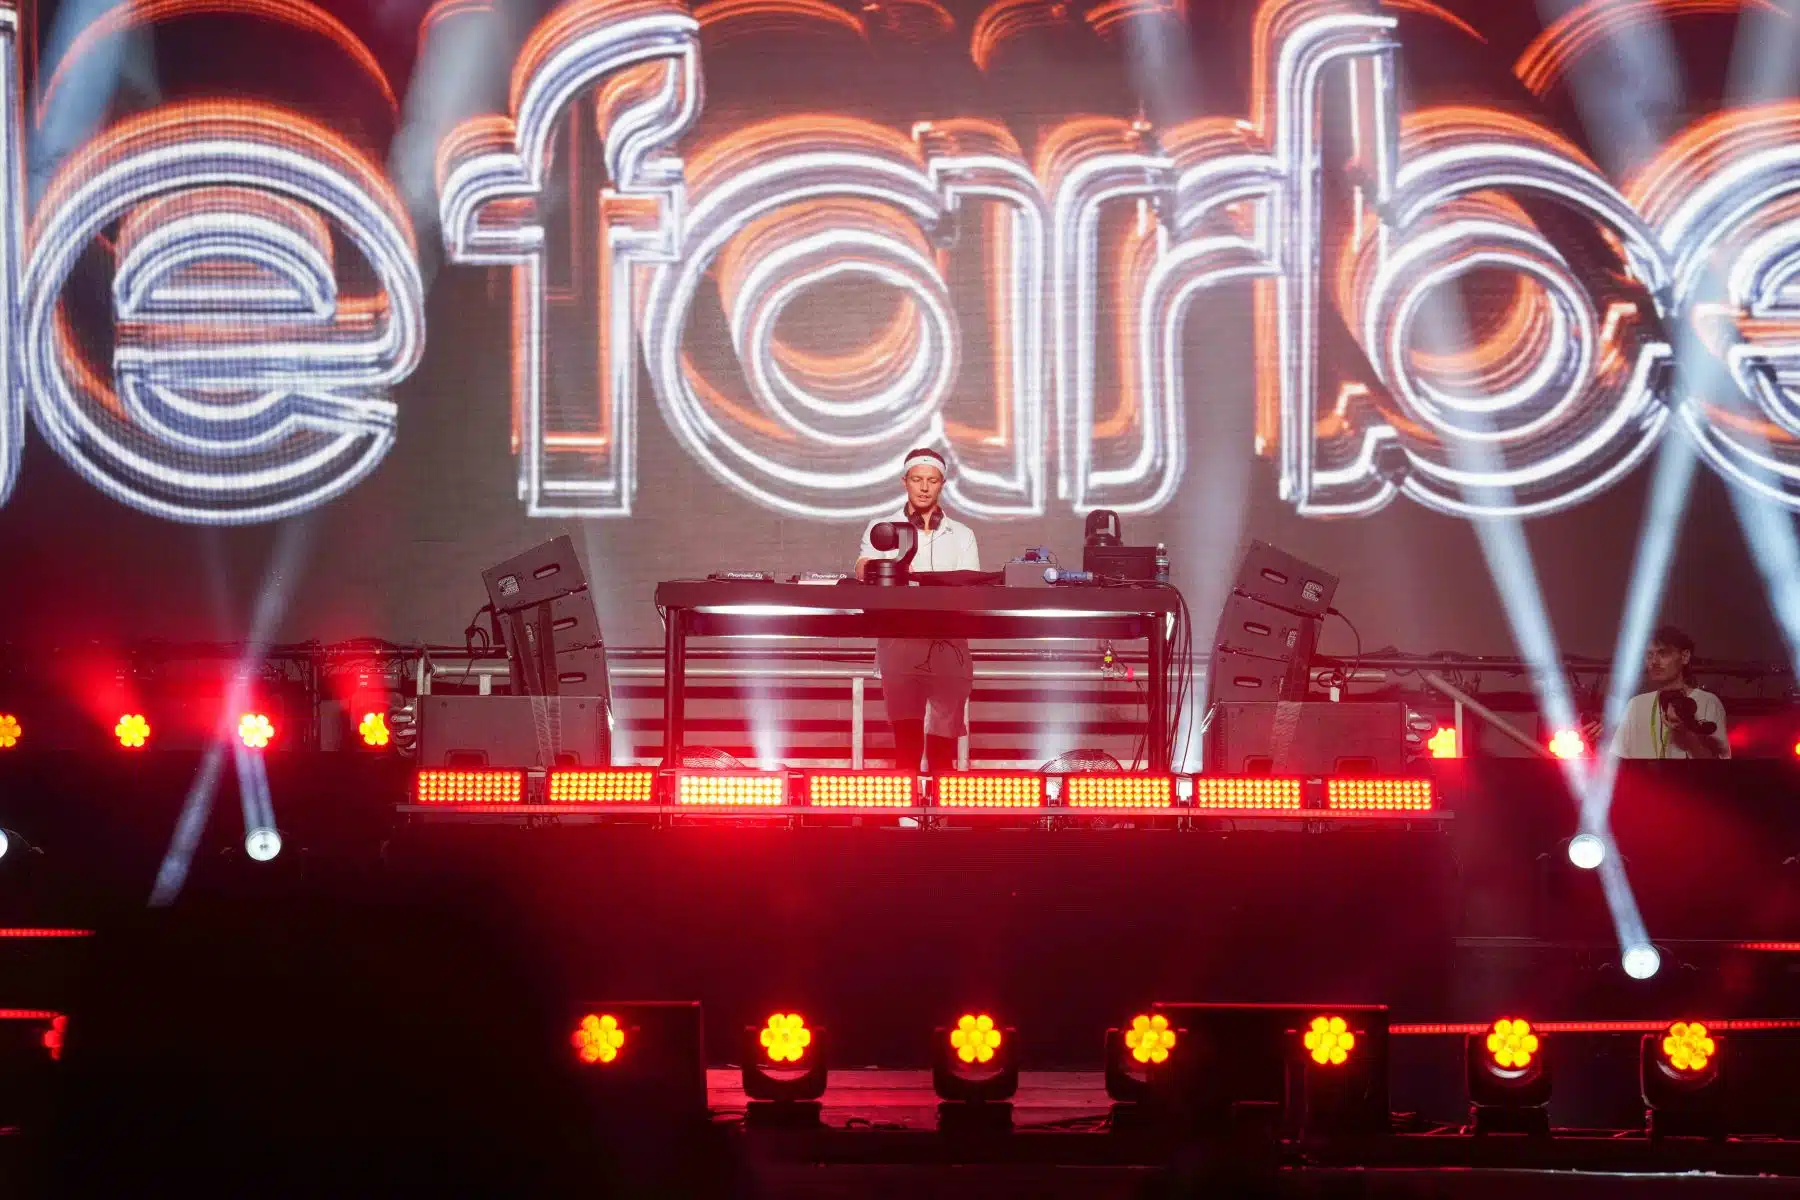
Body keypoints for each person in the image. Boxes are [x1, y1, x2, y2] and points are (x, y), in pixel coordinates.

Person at [854, 447, 980, 772]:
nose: (924, 487)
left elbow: (969, 588)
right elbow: (863, 568)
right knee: (906, 743)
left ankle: (942, 805)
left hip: (949, 650)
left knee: (943, 748)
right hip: (900, 648)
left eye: (932, 480)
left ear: (942, 484)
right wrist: (887, 569)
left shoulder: (962, 535)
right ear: (905, 482)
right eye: (917, 479)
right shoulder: (882, 528)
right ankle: (907, 805)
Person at [1611, 625, 1729, 760]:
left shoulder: (1708, 702)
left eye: (1663, 653)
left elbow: (1720, 767)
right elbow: (1616, 762)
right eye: (1649, 655)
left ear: (1685, 657)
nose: (1654, 661)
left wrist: (1686, 735)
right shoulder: (1636, 705)